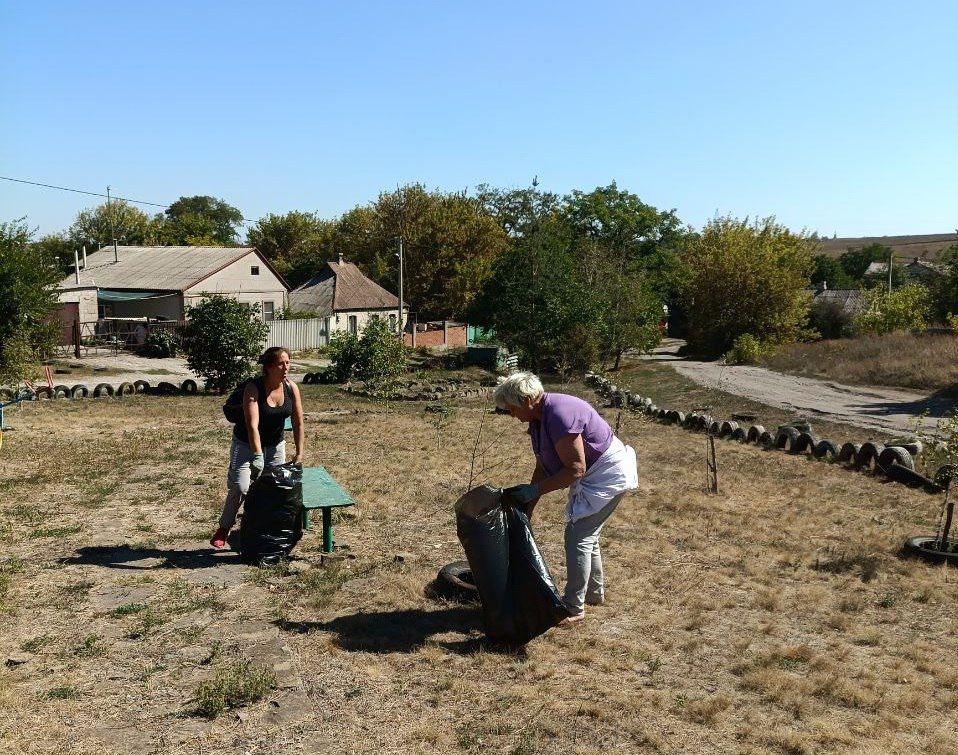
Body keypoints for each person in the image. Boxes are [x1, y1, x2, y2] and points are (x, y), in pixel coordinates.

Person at [494, 371, 638, 625]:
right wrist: (529, 505)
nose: (511, 415)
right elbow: (543, 467)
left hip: (607, 475)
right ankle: (594, 594)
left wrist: (535, 491)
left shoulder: (560, 415)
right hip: (594, 475)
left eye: (511, 408)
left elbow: (574, 469)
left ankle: (574, 607)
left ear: (526, 401)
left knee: (578, 537)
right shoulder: (538, 420)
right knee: (586, 535)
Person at [210, 346, 305, 548]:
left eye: (288, 362)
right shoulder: (253, 389)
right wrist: (257, 455)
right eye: (281, 363)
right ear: (269, 367)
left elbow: (298, 422)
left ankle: (265, 529)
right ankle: (224, 527)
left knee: (275, 489)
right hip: (245, 445)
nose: (286, 367)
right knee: (240, 486)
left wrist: (299, 452)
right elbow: (252, 425)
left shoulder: (291, 388)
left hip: (275, 445)